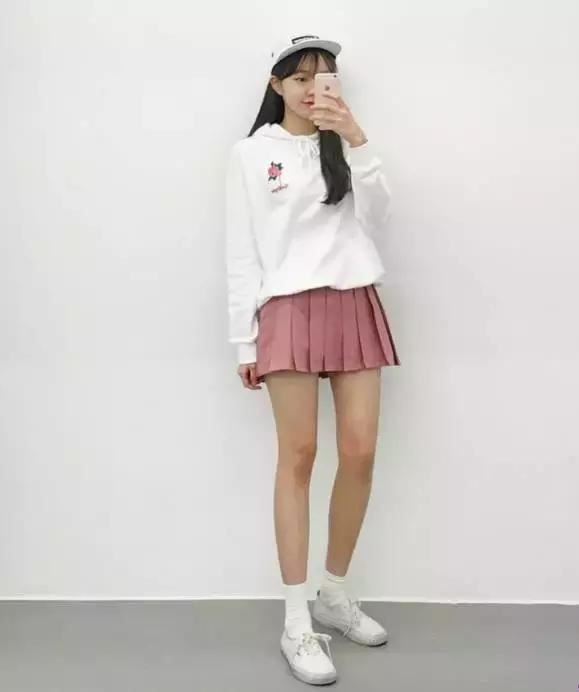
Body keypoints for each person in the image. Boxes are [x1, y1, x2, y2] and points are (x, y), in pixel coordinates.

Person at [224, 33, 401, 685]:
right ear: (276, 85)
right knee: (297, 457)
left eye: (323, 77)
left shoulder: (345, 143)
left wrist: (355, 137)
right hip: (286, 311)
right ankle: (297, 621)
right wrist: (244, 339)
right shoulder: (252, 153)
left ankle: (335, 593)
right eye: (299, 78)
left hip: (354, 300)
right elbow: (241, 248)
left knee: (359, 452)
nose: (311, 88)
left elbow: (379, 219)